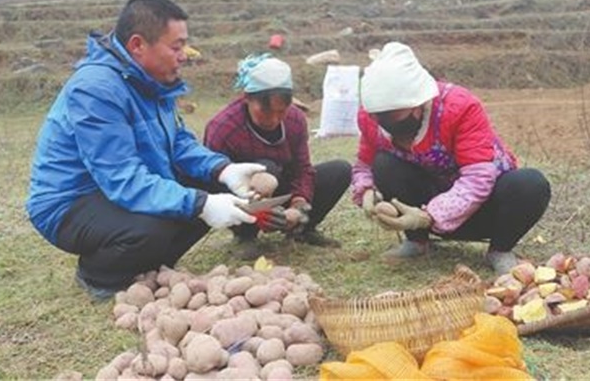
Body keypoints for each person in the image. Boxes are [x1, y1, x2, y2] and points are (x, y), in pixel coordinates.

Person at [26, 0, 267, 301]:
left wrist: (224, 170)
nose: (184, 56)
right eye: (176, 47)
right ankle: (99, 274)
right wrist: (201, 204)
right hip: (71, 201)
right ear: (138, 45)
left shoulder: (152, 80)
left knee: (210, 187)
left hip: (117, 187)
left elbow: (178, 143)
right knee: (155, 226)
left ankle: (151, 266)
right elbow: (122, 178)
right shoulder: (95, 90)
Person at [352, 42, 551, 274]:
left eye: (393, 115)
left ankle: (500, 249)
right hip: (426, 201)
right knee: (384, 164)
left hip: (483, 208)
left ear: (417, 103)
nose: (384, 121)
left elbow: (478, 179)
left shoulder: (460, 107)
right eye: (379, 116)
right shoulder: (369, 118)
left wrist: (429, 216)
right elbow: (364, 164)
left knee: (529, 184)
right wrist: (366, 190)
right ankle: (417, 241)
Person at [204, 53, 351, 259]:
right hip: (244, 197)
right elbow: (213, 181)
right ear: (247, 98)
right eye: (265, 113)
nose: (273, 120)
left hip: (283, 190)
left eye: (281, 112)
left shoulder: (295, 120)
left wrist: (298, 205)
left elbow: (302, 169)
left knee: (340, 170)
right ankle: (246, 236)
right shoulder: (223, 128)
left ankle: (301, 229)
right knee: (265, 170)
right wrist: (253, 207)